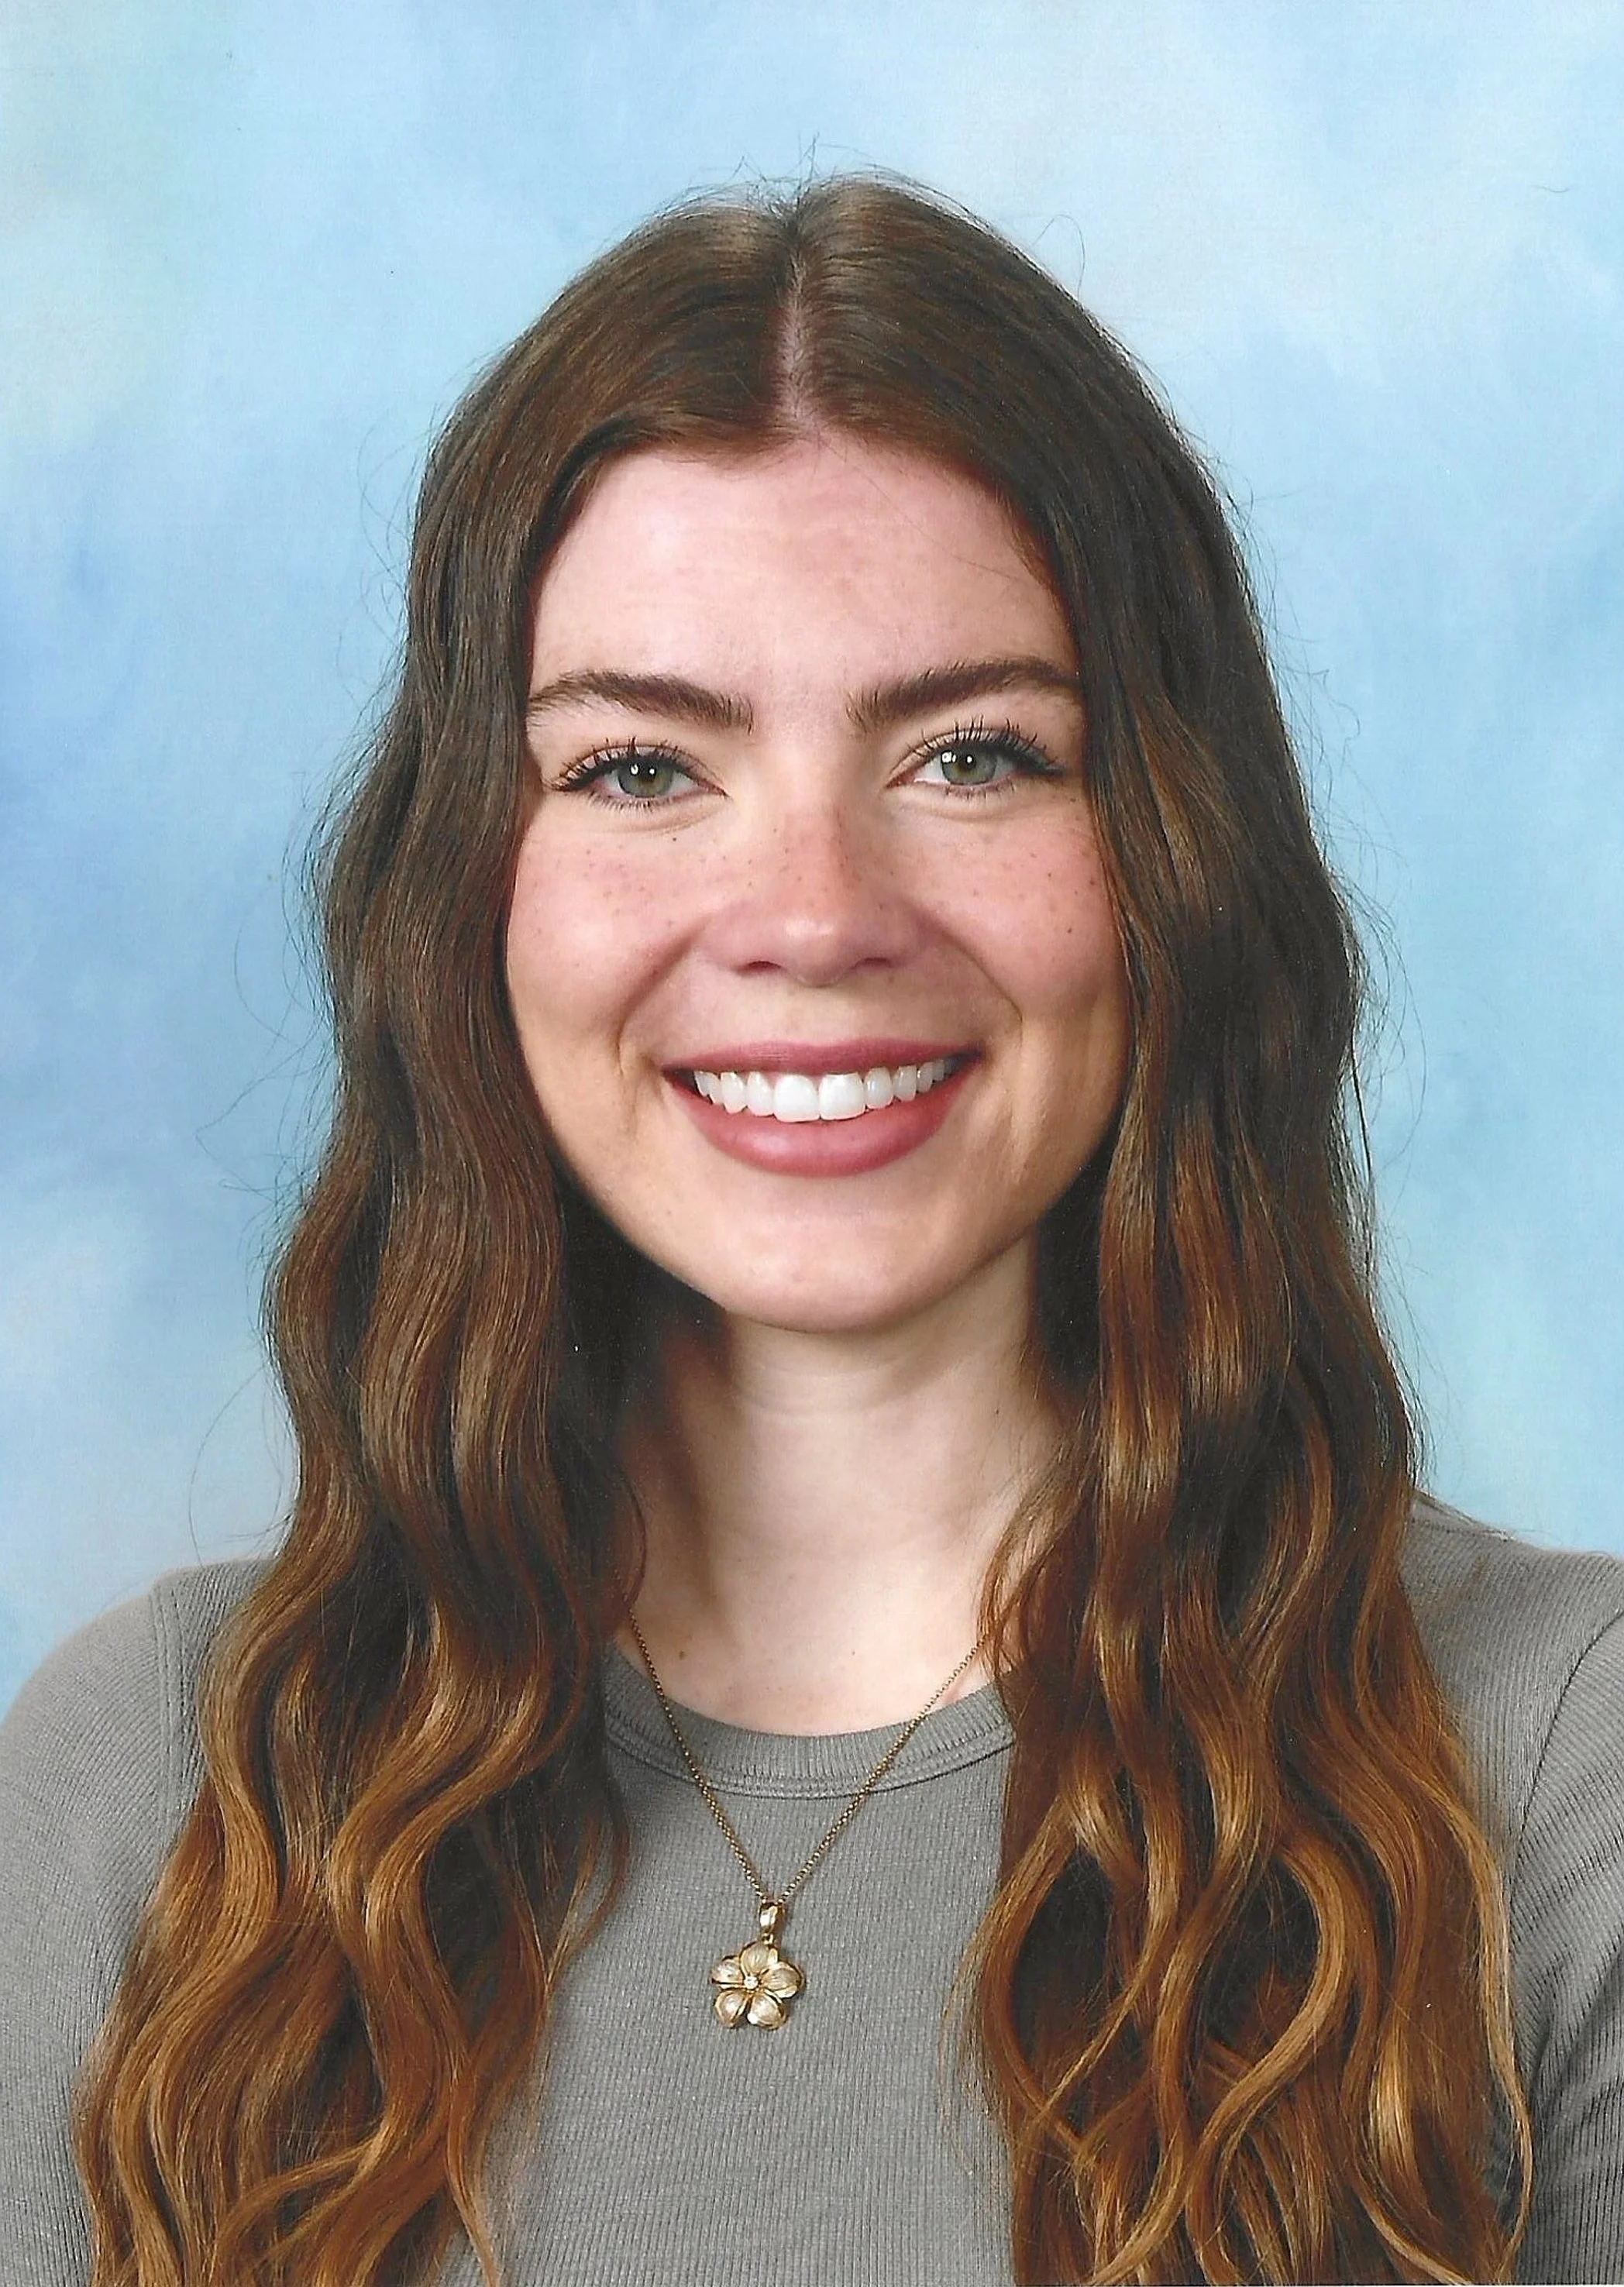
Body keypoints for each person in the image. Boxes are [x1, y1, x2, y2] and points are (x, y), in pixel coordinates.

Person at [2, 174, 1621, 2287]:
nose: (813, 919)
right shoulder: (150, 1785)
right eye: (642, 769)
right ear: (470, 889)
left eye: (970, 753)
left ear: (1171, 859)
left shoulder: (1556, 1760)